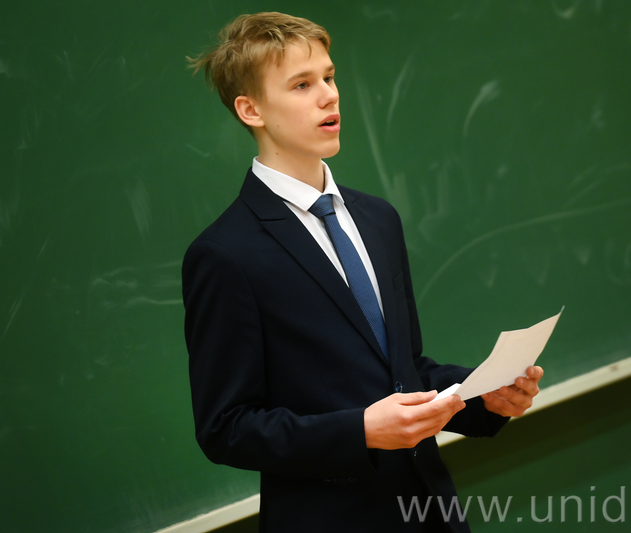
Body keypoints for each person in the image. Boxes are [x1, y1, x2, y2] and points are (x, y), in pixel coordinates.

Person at [182, 12, 544, 532]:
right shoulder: (226, 253)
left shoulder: (377, 218)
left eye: (329, 77)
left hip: (429, 512)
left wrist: (483, 395)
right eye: (302, 85)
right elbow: (227, 428)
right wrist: (361, 431)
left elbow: (406, 371)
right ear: (251, 109)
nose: (329, 96)